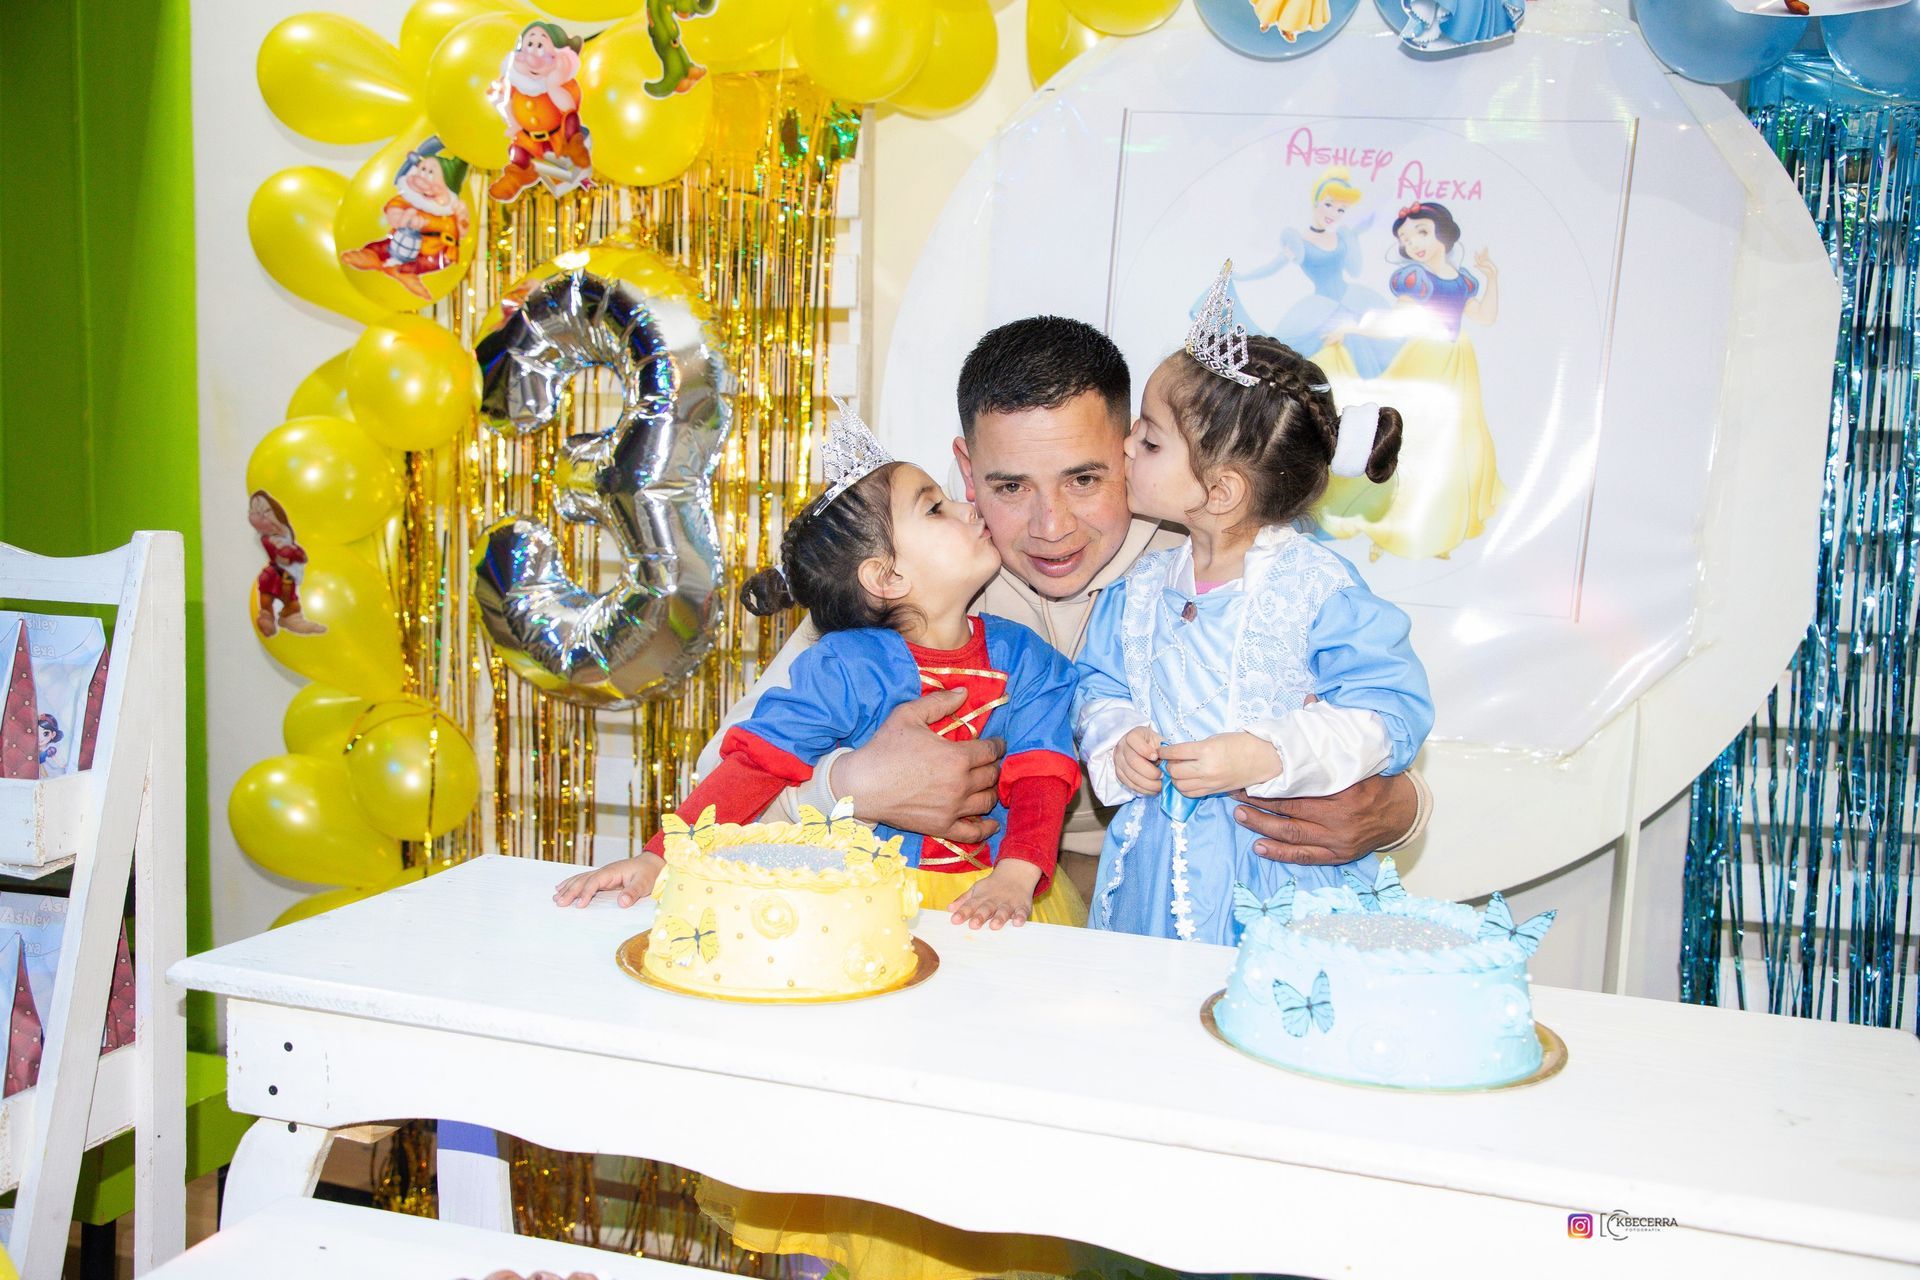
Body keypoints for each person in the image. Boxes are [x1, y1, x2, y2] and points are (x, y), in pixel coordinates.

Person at [699, 318, 1431, 903]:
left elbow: (1372, 710)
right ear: (964, 468)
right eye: (1009, 486)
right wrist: (849, 788)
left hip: (1152, 908)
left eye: (1084, 478)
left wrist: (1400, 811)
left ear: (1136, 451)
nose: (1051, 526)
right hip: (937, 909)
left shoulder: (1210, 560)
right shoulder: (916, 569)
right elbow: (712, 788)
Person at [554, 402, 1085, 930]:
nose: (969, 509)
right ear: (885, 578)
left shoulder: (1027, 658)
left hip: (991, 895)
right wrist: (659, 856)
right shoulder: (843, 666)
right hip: (862, 901)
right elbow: (755, 766)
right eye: (934, 509)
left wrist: (1017, 878)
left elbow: (1041, 771)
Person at [1075, 262, 1432, 943]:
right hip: (1154, 869)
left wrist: (1269, 753)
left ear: (1222, 492)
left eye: (1148, 439)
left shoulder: (1316, 591)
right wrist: (1118, 738)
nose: (1124, 447)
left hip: (1272, 873)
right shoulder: (1140, 591)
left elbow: (1388, 714)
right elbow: (1099, 684)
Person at [1315, 200, 1505, 561]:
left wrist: (1492, 277)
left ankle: (1435, 529)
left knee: (1454, 445)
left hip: (1457, 365)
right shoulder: (1415, 280)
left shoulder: (1464, 280)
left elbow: (1485, 315)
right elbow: (1393, 321)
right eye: (1406, 236)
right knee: (1413, 441)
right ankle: (1389, 527)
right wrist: (1353, 328)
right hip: (1423, 364)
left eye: (1421, 232)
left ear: (1443, 234)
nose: (1413, 242)